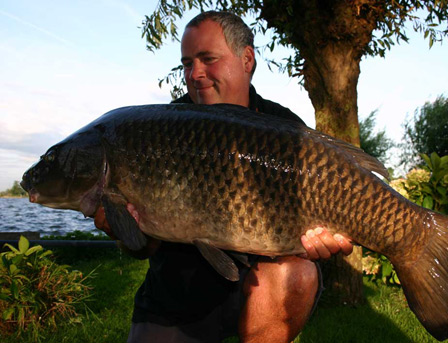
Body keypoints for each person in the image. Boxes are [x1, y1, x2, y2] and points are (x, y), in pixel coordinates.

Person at [94, 11, 354, 343]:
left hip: (257, 289)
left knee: (299, 273)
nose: (195, 73)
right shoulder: (162, 127)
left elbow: (312, 225)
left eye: (208, 59)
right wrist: (123, 228)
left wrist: (318, 241)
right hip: (176, 295)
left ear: (247, 59)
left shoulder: (284, 126)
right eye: (187, 63)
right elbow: (143, 247)